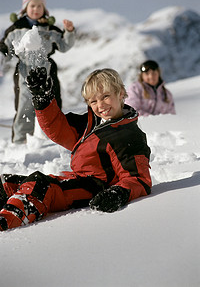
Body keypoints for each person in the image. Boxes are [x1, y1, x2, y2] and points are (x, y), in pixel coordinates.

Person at [0, 67, 152, 231]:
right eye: (93, 101)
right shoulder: (92, 123)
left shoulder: (128, 134)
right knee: (8, 183)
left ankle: (6, 220)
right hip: (78, 178)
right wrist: (43, 99)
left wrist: (118, 193)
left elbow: (139, 179)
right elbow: (59, 129)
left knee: (39, 186)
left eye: (106, 96)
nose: (100, 105)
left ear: (121, 93)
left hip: (94, 188)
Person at [0, 0, 75, 144]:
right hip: (24, 71)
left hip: (47, 70)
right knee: (24, 106)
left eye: (39, 5)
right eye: (32, 5)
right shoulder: (16, 28)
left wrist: (69, 32)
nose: (36, 9)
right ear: (25, 7)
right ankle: (21, 141)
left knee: (51, 104)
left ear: (44, 8)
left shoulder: (49, 28)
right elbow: (5, 48)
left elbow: (64, 46)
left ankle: (55, 140)